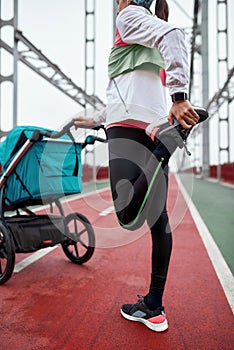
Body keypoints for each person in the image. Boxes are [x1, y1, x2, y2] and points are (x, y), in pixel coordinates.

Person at [74, 0, 208, 332]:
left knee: (125, 211)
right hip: (152, 125)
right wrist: (97, 120)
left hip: (131, 129)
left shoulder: (129, 16)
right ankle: (153, 306)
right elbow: (132, 88)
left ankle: (164, 149)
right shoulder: (145, 31)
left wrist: (179, 97)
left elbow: (176, 35)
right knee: (157, 220)